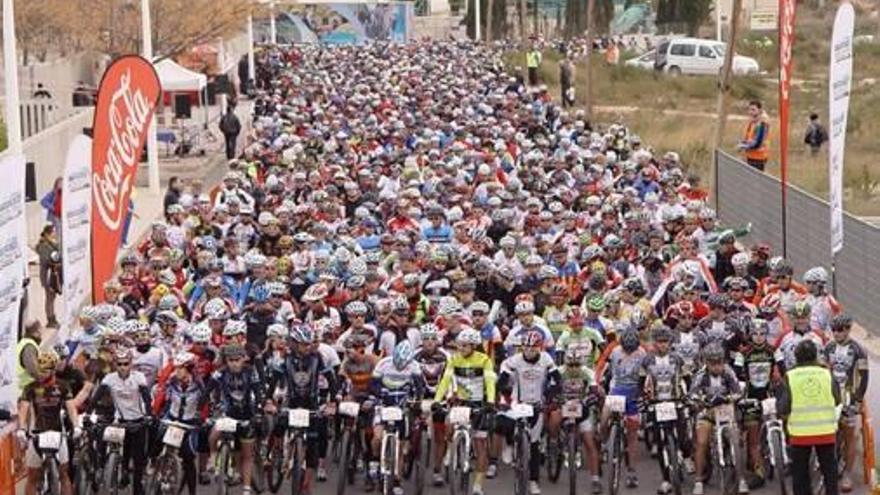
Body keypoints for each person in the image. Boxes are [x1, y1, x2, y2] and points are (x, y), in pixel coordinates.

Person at [778, 340, 841, 495]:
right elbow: (837, 399)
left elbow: (783, 408)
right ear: (816, 356)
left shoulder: (790, 376)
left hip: (800, 435)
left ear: (796, 357)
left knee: (800, 474)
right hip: (826, 433)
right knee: (829, 473)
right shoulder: (827, 374)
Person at [17, 350, 80, 495]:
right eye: (39, 370)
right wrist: (21, 428)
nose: (41, 374)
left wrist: (76, 426)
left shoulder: (63, 386)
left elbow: (71, 408)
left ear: (53, 370)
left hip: (58, 433)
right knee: (32, 477)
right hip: (37, 433)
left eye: (45, 371)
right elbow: (24, 408)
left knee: (64, 475)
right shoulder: (30, 387)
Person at [91, 349, 152, 495]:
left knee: (138, 459)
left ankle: (138, 487)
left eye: (126, 364)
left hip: (138, 420)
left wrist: (149, 415)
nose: (123, 367)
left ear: (131, 364)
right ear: (115, 365)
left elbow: (146, 397)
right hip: (120, 420)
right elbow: (96, 396)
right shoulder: (109, 378)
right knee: (111, 444)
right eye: (119, 364)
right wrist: (88, 413)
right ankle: (110, 471)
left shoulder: (139, 377)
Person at [823, 315, 869, 492]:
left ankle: (848, 474)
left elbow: (864, 377)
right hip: (832, 397)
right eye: (834, 330)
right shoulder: (828, 348)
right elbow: (825, 371)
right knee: (833, 434)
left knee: (849, 436)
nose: (837, 333)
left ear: (848, 329)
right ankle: (833, 466)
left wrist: (858, 399)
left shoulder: (859, 350)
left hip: (850, 397)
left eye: (841, 330)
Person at [35, 225, 62, 328]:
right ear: (47, 234)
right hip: (48, 275)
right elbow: (48, 259)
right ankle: (50, 319)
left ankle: (52, 317)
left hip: (53, 274)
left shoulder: (52, 243)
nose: (54, 234)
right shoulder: (43, 246)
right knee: (49, 297)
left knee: (52, 297)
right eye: (52, 232)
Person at [737, 100, 771, 171]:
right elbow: (750, 139)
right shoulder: (752, 122)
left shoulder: (762, 123)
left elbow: (757, 143)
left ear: (760, 110)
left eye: (753, 109)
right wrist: (743, 143)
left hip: (758, 159)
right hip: (751, 156)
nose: (750, 112)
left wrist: (743, 146)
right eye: (749, 109)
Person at [17, 320, 44, 393]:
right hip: (26, 388)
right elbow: (33, 370)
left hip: (23, 387)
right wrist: (44, 378)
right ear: (36, 331)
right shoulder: (29, 346)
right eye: (40, 329)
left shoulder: (23, 342)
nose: (41, 333)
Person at [39, 177, 63, 244]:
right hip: (56, 216)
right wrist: (53, 208)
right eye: (60, 183)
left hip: (64, 215)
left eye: (62, 183)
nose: (61, 185)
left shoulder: (66, 192)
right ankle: (59, 248)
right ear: (56, 184)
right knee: (59, 233)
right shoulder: (53, 193)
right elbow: (43, 201)